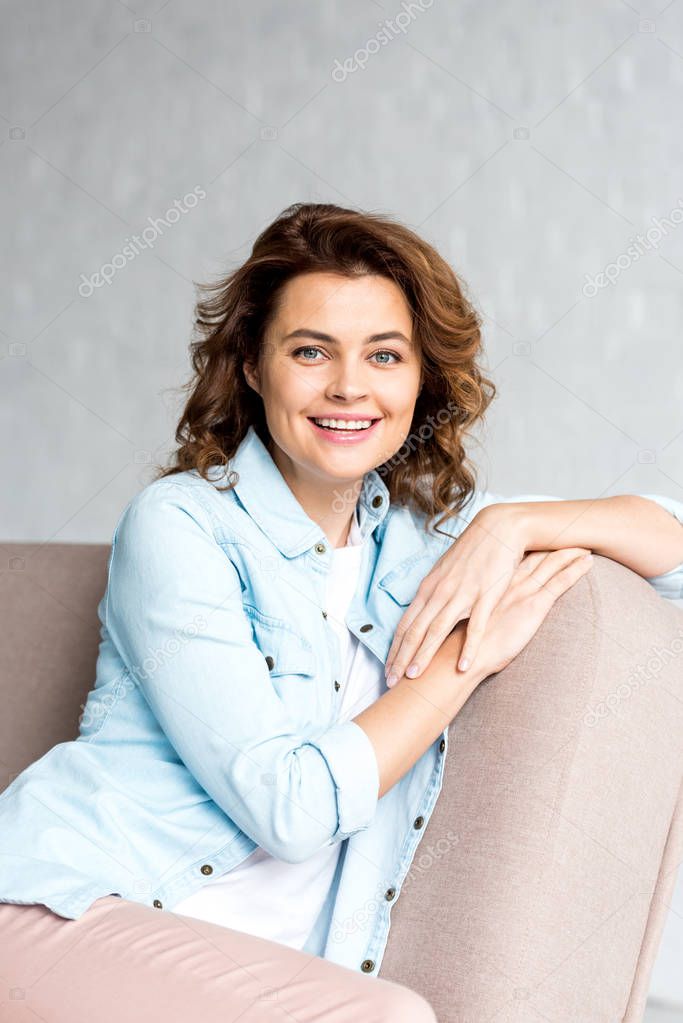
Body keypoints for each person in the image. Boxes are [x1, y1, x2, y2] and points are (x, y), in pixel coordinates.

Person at [1, 202, 682, 1022]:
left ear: (420, 378)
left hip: (242, 973)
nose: (349, 386)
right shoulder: (181, 524)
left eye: (384, 354)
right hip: (60, 912)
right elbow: (290, 809)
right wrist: (455, 666)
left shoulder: (427, 544)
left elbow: (671, 549)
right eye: (310, 350)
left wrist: (518, 523)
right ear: (253, 366)